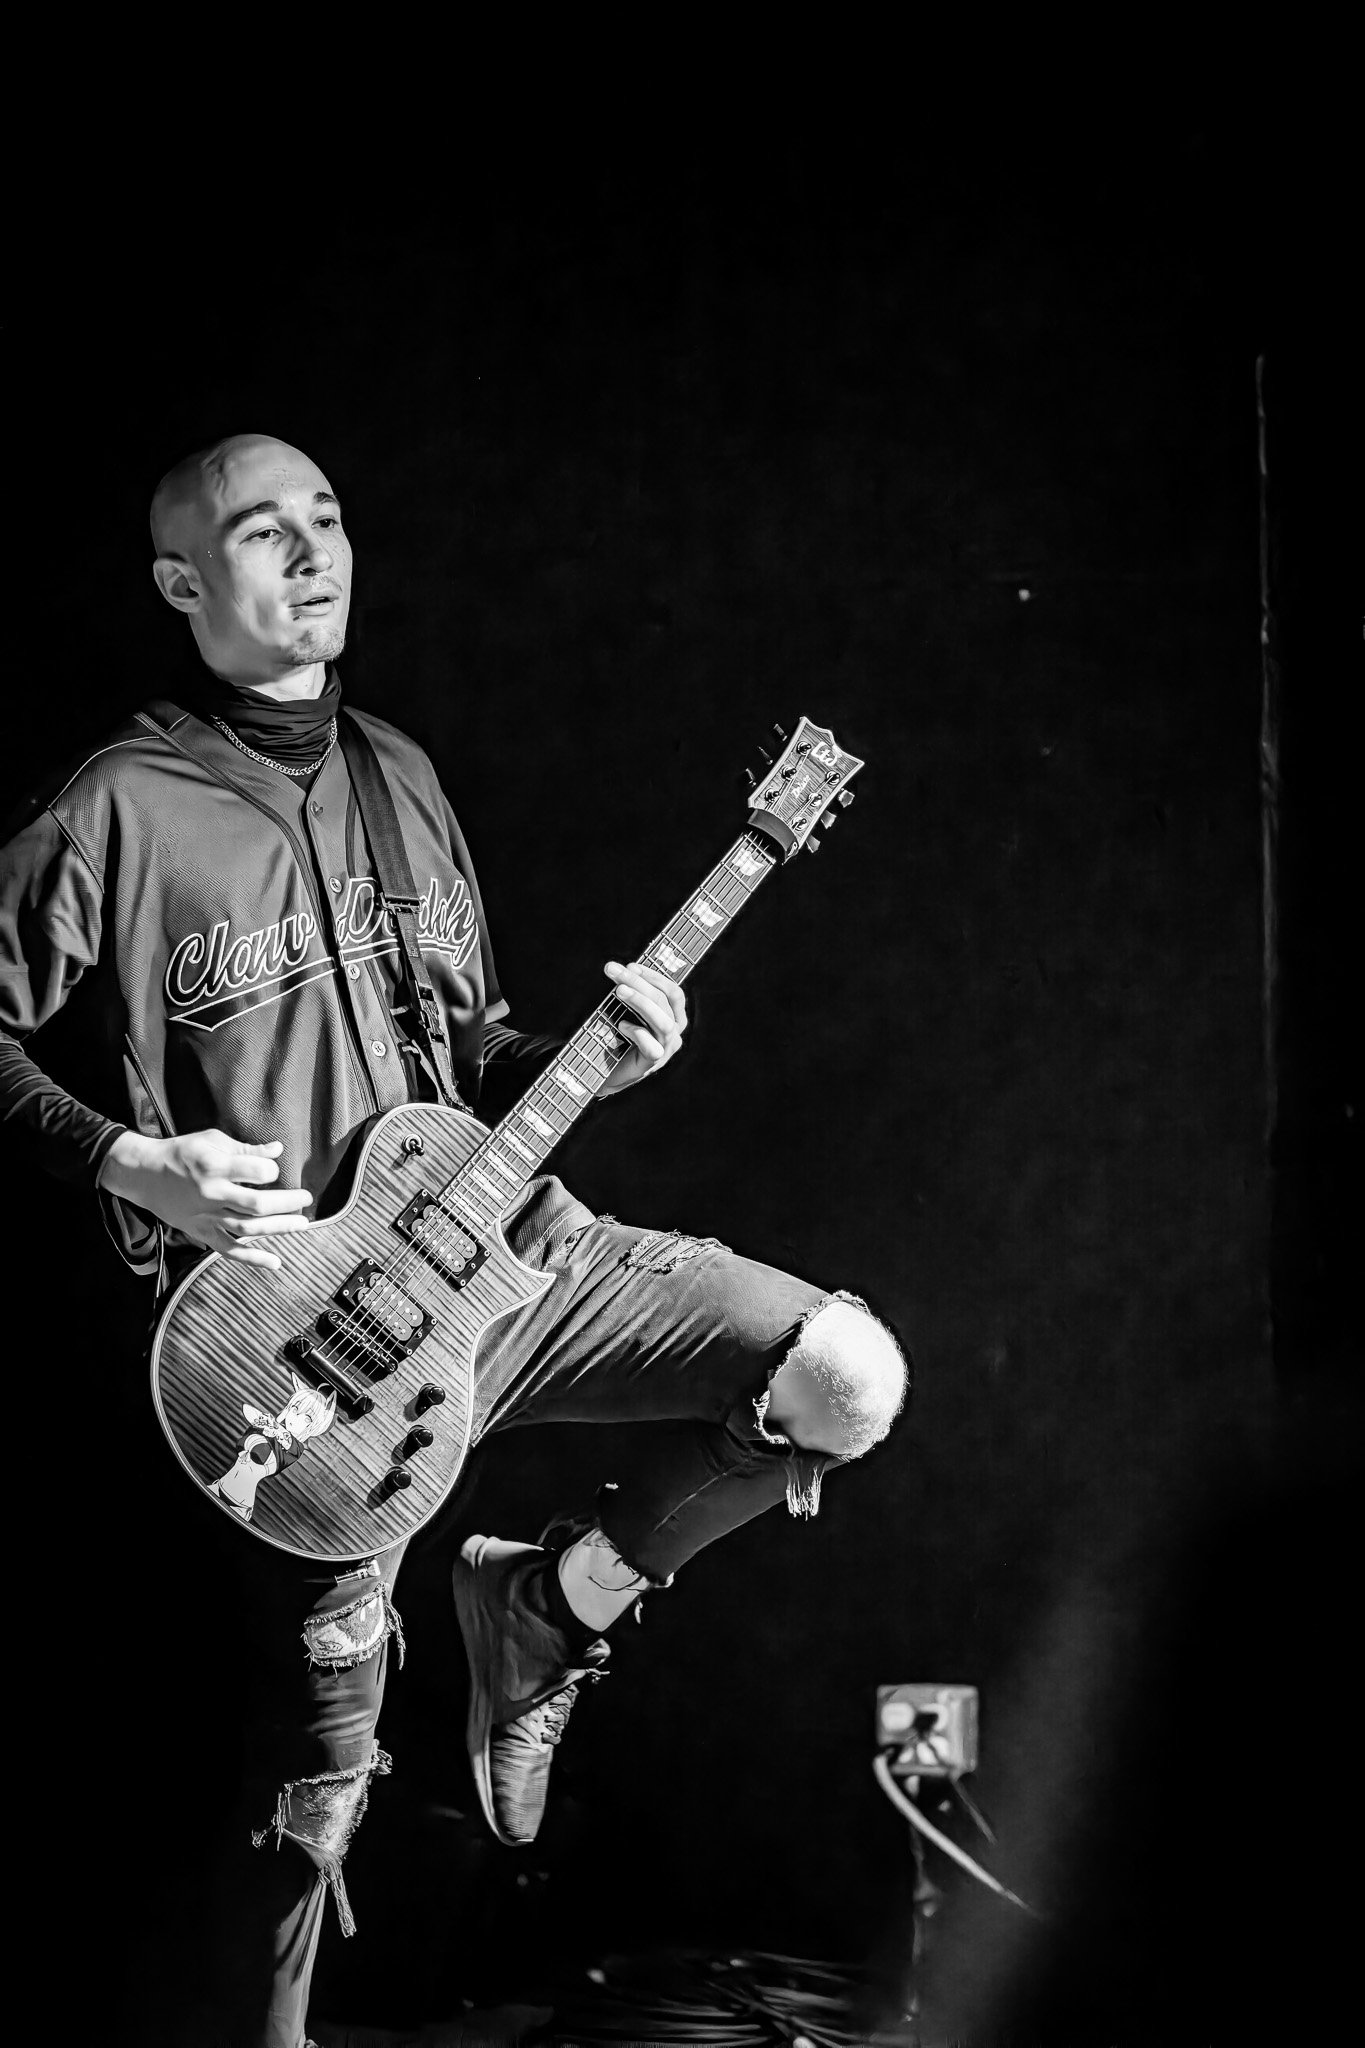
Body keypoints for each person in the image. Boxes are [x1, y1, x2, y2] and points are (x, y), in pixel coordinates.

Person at [0, 433, 908, 2048]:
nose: (311, 555)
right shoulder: (115, 807)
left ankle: (546, 1605)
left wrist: (601, 1054)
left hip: (510, 1266)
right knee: (315, 1804)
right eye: (261, 534)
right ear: (178, 582)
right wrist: (128, 1157)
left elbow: (477, 1062)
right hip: (310, 1359)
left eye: (329, 522)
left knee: (839, 1373)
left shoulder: (403, 778)